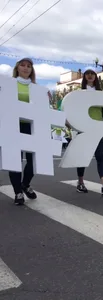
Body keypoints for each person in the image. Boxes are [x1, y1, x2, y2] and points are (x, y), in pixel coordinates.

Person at [73, 67, 103, 195]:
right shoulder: (79, 92)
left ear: (96, 77)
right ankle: (80, 182)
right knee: (82, 157)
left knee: (100, 156)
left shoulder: (100, 93)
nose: (90, 76)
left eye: (92, 74)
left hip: (98, 127)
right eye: (88, 74)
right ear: (84, 77)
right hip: (84, 127)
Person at [8, 58, 38, 205]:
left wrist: (46, 99)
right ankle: (18, 192)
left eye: (29, 66)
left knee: (34, 160)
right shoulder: (9, 85)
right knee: (15, 160)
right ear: (17, 68)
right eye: (23, 65)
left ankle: (25, 184)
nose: (26, 68)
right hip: (13, 126)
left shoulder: (36, 88)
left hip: (31, 127)